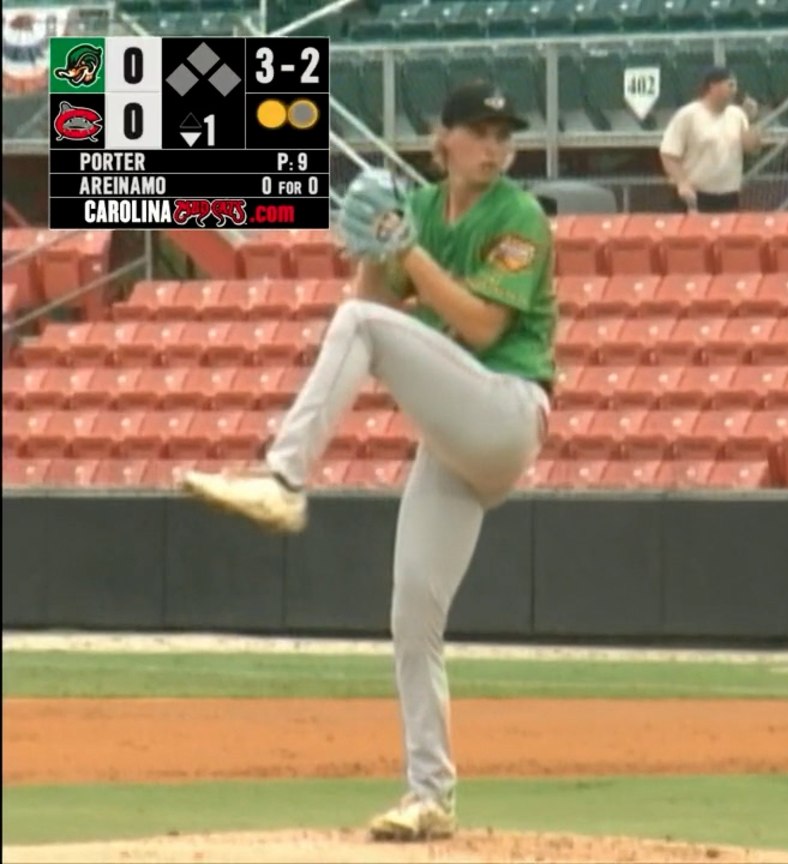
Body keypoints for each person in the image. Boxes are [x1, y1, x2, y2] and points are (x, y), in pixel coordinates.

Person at [178, 80, 557, 842]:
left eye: (502, 132)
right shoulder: (418, 209)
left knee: (357, 325)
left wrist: (405, 247)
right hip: (453, 442)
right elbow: (371, 304)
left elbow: (483, 327)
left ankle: (285, 477)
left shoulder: (518, 216)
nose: (495, 144)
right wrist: (371, 248)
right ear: (439, 139)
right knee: (413, 613)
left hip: (506, 409)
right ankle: (430, 795)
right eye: (479, 130)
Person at [659, 66, 763, 213]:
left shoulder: (737, 115)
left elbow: (752, 148)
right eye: (730, 85)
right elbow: (668, 154)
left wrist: (752, 120)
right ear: (713, 86)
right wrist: (682, 182)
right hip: (695, 196)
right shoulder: (688, 115)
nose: (734, 90)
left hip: (729, 195)